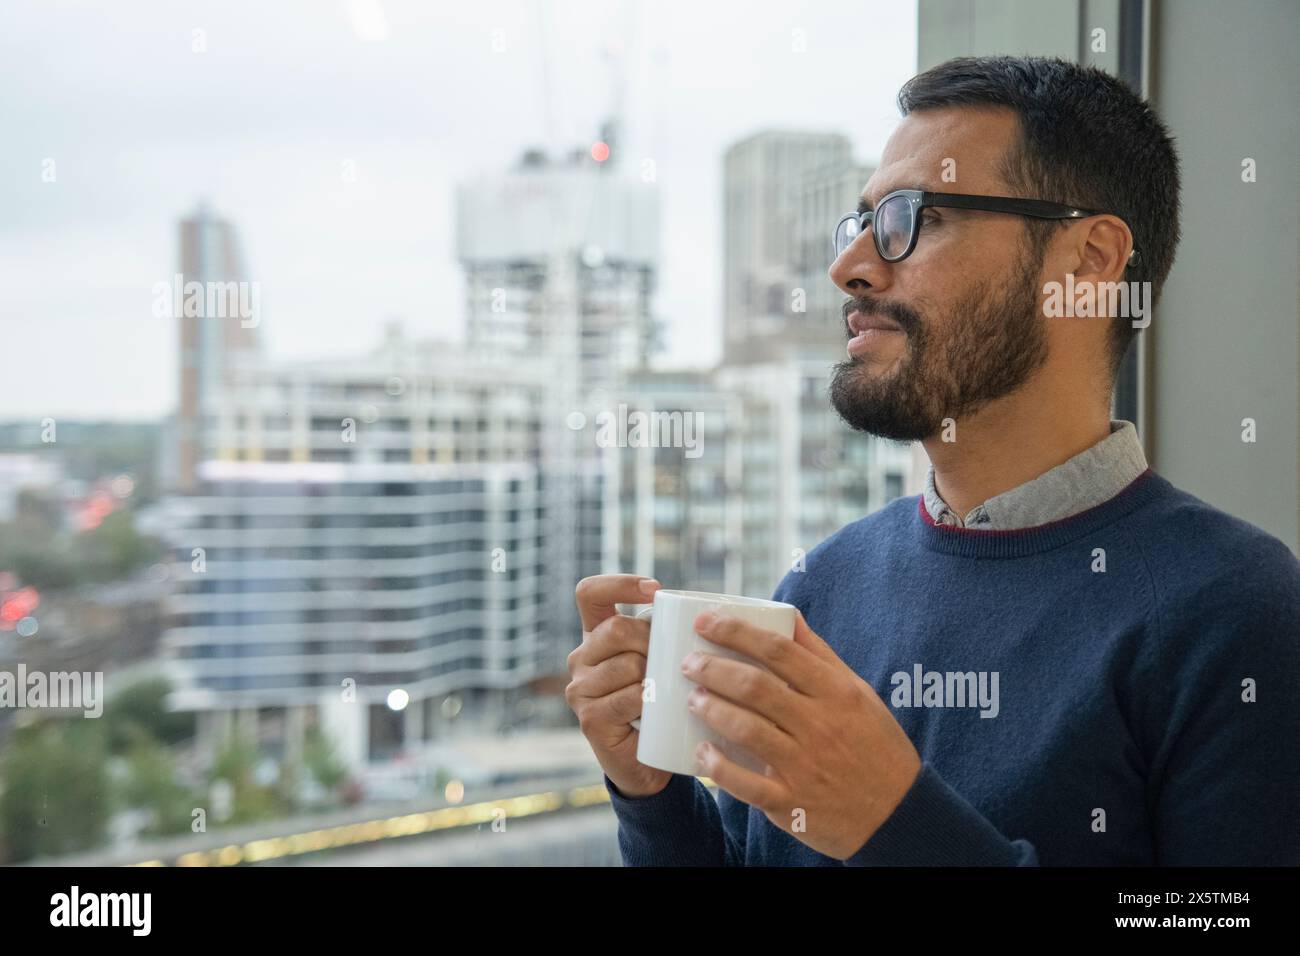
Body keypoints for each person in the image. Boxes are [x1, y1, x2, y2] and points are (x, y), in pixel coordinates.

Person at [566, 55, 1300, 865]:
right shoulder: (821, 586)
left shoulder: (1238, 612)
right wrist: (652, 796)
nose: (848, 268)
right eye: (863, 223)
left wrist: (894, 824)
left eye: (915, 217)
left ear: (1090, 262)